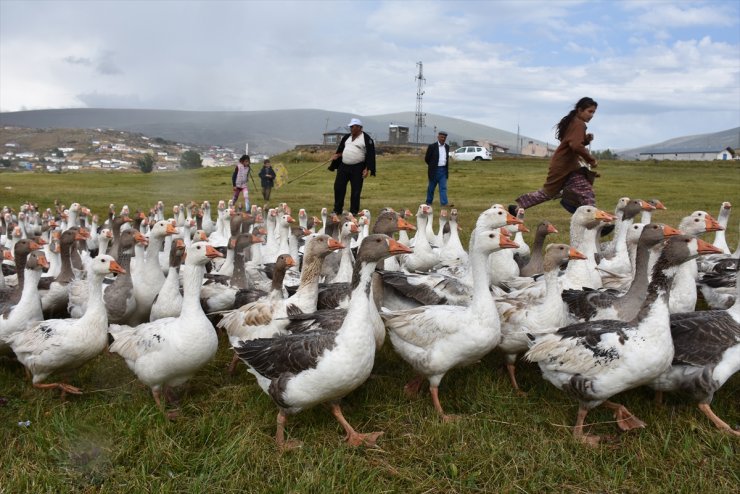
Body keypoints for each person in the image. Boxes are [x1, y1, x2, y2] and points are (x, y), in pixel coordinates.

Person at [511, 97, 599, 215]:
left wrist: (586, 140)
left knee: (583, 191)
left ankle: (516, 209)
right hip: (564, 166)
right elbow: (575, 145)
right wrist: (591, 160)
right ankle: (593, 219)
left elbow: (571, 142)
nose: (592, 115)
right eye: (589, 111)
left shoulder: (573, 122)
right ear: (580, 110)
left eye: (593, 112)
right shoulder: (579, 124)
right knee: (555, 193)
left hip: (567, 166)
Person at [328, 118, 376, 215]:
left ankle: (353, 211)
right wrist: (338, 155)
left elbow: (370, 155)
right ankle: (337, 209)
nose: (351, 128)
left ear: (359, 128)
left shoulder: (366, 139)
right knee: (338, 187)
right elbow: (342, 149)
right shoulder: (346, 138)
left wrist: (367, 169)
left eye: (353, 127)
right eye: (350, 127)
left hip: (358, 167)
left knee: (356, 190)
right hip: (344, 166)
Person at [424, 130, 452, 207]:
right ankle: (428, 202)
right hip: (434, 170)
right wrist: (432, 166)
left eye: (444, 137)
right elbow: (427, 159)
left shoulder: (447, 147)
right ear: (438, 137)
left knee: (443, 188)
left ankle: (444, 203)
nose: (443, 139)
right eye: (441, 137)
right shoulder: (432, 147)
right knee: (431, 187)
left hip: (443, 170)